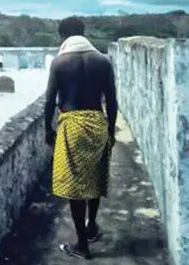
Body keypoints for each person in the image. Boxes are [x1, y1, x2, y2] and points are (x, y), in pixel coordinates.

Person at [44, 16, 118, 260]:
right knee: (95, 176)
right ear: (83, 32)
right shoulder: (103, 61)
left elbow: (49, 102)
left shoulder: (59, 62)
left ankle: (82, 246)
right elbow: (113, 101)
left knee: (75, 186)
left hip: (72, 125)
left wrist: (48, 130)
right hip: (98, 121)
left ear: (62, 35)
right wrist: (110, 130)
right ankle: (92, 225)